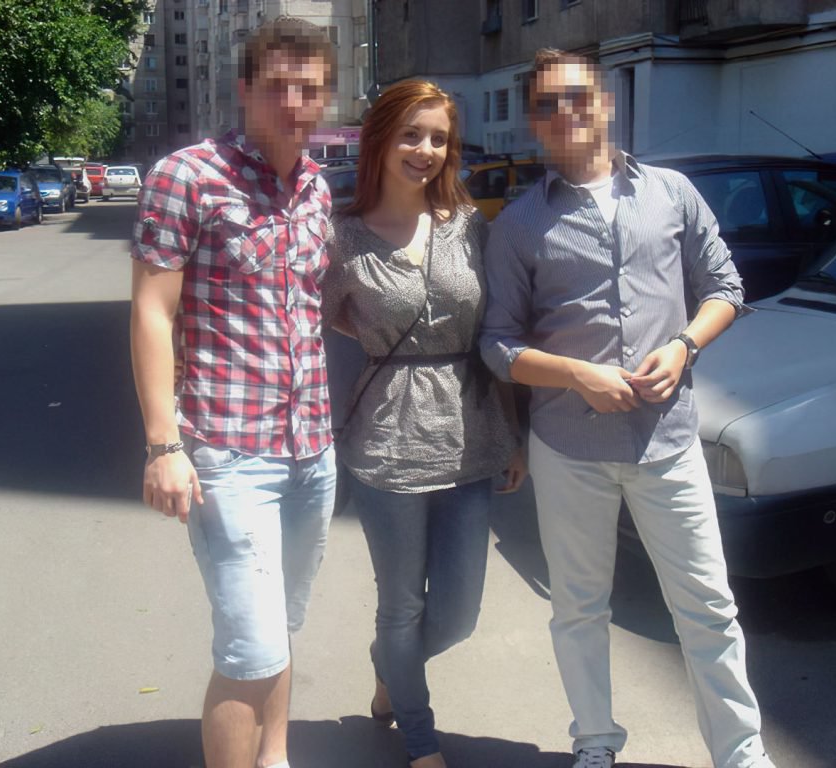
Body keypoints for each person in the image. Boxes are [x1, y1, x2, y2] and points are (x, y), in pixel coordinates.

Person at [480, 49, 776, 768]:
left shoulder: (672, 193)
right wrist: (576, 375)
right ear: (533, 122)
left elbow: (726, 287)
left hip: (665, 441)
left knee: (707, 605)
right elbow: (497, 344)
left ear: (605, 103)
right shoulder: (519, 224)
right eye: (546, 105)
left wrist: (683, 346)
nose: (564, 113)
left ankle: (740, 752)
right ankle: (594, 739)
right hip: (568, 447)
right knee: (578, 606)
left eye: (577, 97)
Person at [129, 18, 337, 768]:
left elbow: (310, 306)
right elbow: (152, 312)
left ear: (325, 97)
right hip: (228, 453)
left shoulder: (316, 188)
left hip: (312, 451)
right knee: (250, 649)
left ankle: (274, 758)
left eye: (308, 89)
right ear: (244, 89)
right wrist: (163, 445)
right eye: (277, 85)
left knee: (278, 629)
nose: (293, 102)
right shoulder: (186, 176)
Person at [322, 79, 526, 768]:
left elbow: (496, 332)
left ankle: (389, 662)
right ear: (380, 140)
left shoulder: (468, 226)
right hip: (386, 445)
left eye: (438, 138)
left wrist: (514, 433)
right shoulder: (344, 237)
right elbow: (320, 317)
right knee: (403, 605)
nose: (426, 150)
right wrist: (378, 339)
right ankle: (419, 738)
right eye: (411, 134)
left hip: (473, 437)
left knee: (459, 614)